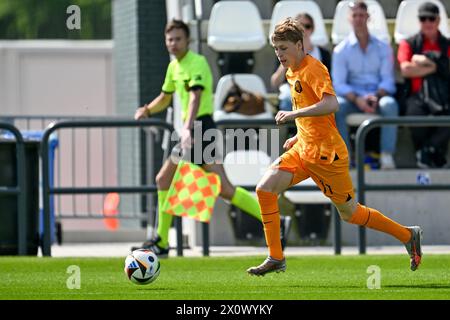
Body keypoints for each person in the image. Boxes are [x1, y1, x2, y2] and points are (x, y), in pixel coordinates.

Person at [246, 17, 423, 276]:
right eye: (276, 49)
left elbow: (332, 104)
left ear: (299, 45)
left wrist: (293, 117)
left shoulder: (313, 68)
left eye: (283, 48)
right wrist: (298, 134)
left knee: (350, 213)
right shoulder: (291, 71)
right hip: (304, 149)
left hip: (327, 156)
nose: (279, 54)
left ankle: (408, 235)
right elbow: (310, 110)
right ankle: (276, 256)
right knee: (264, 189)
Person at [132, 19, 291, 256]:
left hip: (199, 129)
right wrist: (147, 110)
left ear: (188, 41)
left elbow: (195, 98)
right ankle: (276, 221)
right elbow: (166, 97)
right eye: (169, 39)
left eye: (178, 38)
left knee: (165, 179)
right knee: (224, 189)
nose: (173, 43)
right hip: (192, 131)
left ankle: (162, 242)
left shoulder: (197, 63)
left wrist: (186, 129)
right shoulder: (174, 67)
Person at [332, 1, 398, 170]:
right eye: (355, 15)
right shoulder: (340, 50)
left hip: (377, 97)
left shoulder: (383, 48)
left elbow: (388, 80)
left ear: (368, 17)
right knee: (335, 106)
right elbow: (338, 84)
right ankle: (345, 157)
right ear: (349, 19)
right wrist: (358, 99)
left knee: (390, 105)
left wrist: (376, 96)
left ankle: (386, 155)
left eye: (362, 15)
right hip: (353, 99)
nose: (359, 19)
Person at [397, 2, 450, 168]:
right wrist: (435, 66)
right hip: (416, 96)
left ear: (438, 20)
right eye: (423, 18)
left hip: (444, 96)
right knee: (414, 114)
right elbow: (406, 69)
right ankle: (428, 153)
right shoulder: (409, 43)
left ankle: (428, 150)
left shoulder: (447, 44)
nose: (427, 22)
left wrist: (423, 61)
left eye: (431, 18)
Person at [271, 13, 331, 112]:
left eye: (307, 26)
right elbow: (275, 83)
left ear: (312, 29)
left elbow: (329, 81)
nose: (303, 29)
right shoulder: (283, 50)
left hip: (317, 89)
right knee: (287, 100)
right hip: (291, 88)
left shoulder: (323, 53)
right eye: (300, 26)